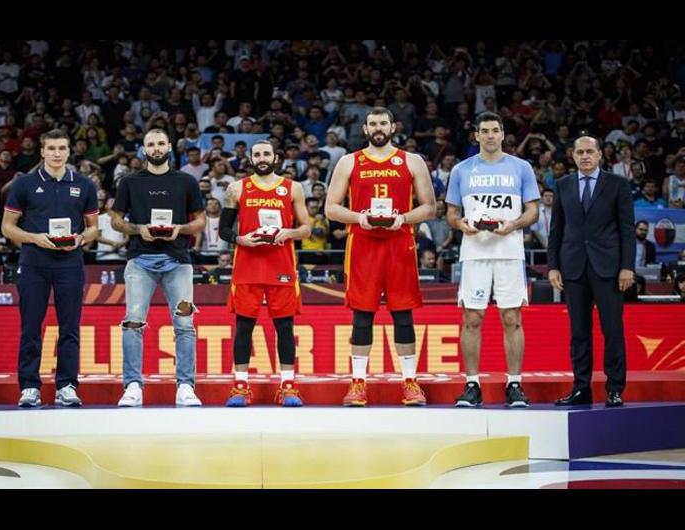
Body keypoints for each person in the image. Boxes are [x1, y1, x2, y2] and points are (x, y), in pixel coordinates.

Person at [325, 107, 436, 407]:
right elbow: (331, 208)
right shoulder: (349, 161)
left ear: (393, 126)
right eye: (372, 123)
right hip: (363, 242)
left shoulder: (411, 160)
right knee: (362, 314)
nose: (378, 128)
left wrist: (403, 219)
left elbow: (430, 207)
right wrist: (358, 217)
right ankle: (358, 382)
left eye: (383, 123)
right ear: (364, 129)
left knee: (403, 313)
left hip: (400, 241)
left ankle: (410, 381)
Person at [445, 111, 540, 408]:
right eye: (484, 131)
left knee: (512, 318)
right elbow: (451, 214)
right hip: (475, 252)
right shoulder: (461, 170)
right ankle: (472, 385)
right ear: (476, 135)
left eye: (494, 130)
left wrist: (513, 225)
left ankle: (515, 384)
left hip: (509, 251)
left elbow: (533, 210)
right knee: (472, 318)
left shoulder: (521, 167)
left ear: (502, 134)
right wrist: (461, 225)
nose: (489, 135)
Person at [2, 129, 99, 408]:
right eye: (52, 148)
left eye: (62, 148)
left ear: (69, 152)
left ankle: (67, 386)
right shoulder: (25, 184)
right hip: (34, 263)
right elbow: (7, 227)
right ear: (42, 152)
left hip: (70, 263)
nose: (57, 153)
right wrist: (35, 238)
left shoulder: (84, 185)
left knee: (70, 328)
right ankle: (30, 386)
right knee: (31, 326)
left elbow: (93, 229)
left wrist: (81, 238)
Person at [109, 129, 206, 408]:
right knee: (133, 322)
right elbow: (115, 219)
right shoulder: (130, 181)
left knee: (185, 325)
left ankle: (186, 386)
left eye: (160, 143)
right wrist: (138, 229)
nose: (156, 148)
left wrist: (181, 229)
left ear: (169, 146)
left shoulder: (186, 181)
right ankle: (133, 386)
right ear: (144, 149)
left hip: (178, 261)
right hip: (140, 260)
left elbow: (200, 221)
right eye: (150, 144)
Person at [218, 140, 311, 407]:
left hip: (281, 265)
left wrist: (289, 233)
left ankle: (288, 385)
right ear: (250, 158)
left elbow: (306, 228)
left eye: (266, 154)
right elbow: (224, 229)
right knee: (244, 327)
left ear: (276, 157)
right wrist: (240, 240)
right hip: (247, 266)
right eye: (257, 154)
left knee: (284, 327)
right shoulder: (237, 188)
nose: (262, 158)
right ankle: (240, 386)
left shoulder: (293, 187)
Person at [548, 136, 635, 407]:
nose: (585, 156)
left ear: (599, 155)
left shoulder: (618, 185)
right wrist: (552, 266)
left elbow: (627, 230)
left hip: (608, 268)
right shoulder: (563, 186)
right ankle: (581, 388)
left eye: (590, 151)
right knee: (579, 332)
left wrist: (627, 267)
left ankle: (615, 388)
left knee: (612, 329)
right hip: (573, 267)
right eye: (580, 152)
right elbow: (556, 230)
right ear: (573, 156)